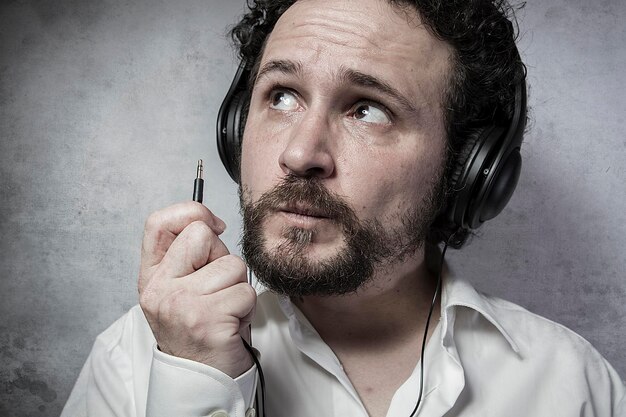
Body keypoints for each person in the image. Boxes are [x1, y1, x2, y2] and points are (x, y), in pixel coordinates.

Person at [61, 0, 625, 416]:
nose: (299, 153)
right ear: (235, 128)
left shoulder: (572, 385)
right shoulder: (138, 360)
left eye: (368, 110)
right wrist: (192, 382)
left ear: (467, 172)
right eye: (281, 96)